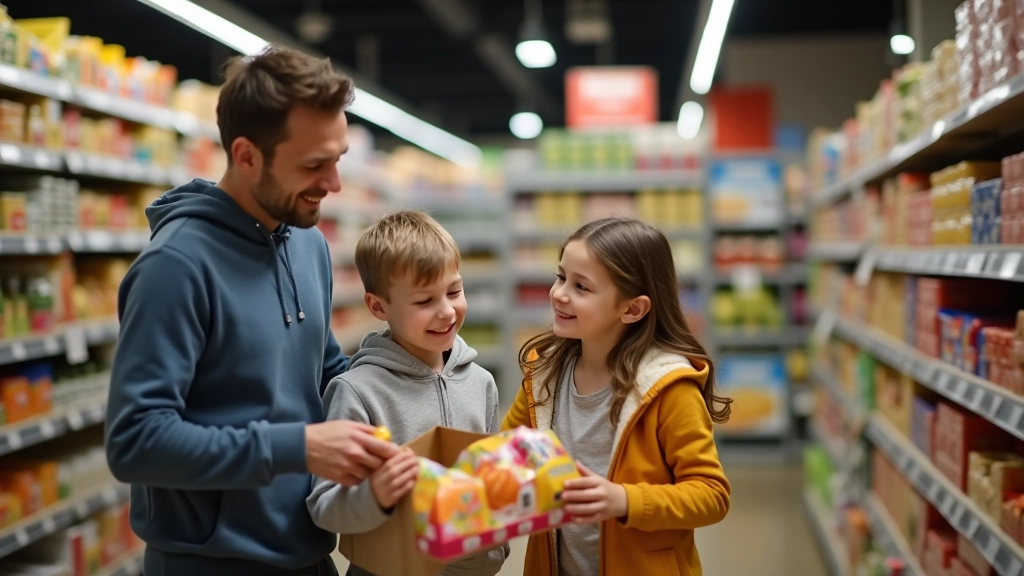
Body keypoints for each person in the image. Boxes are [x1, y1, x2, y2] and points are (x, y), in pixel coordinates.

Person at [104, 45, 398, 576]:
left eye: (337, 159)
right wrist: (297, 447)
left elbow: (324, 369)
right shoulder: (176, 267)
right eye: (314, 164)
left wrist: (409, 389)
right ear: (246, 157)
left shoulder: (307, 243)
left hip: (310, 552)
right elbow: (136, 442)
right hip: (210, 564)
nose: (333, 183)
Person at [501, 217, 733, 576]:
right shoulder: (544, 374)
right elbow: (507, 454)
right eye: (561, 276)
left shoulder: (669, 388)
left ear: (632, 309)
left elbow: (711, 494)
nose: (559, 293)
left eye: (581, 286)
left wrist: (624, 500)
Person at [307, 210, 507, 576]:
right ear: (378, 306)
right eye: (424, 301)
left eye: (454, 291)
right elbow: (325, 506)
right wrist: (375, 495)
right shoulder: (357, 393)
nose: (446, 311)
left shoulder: (481, 383)